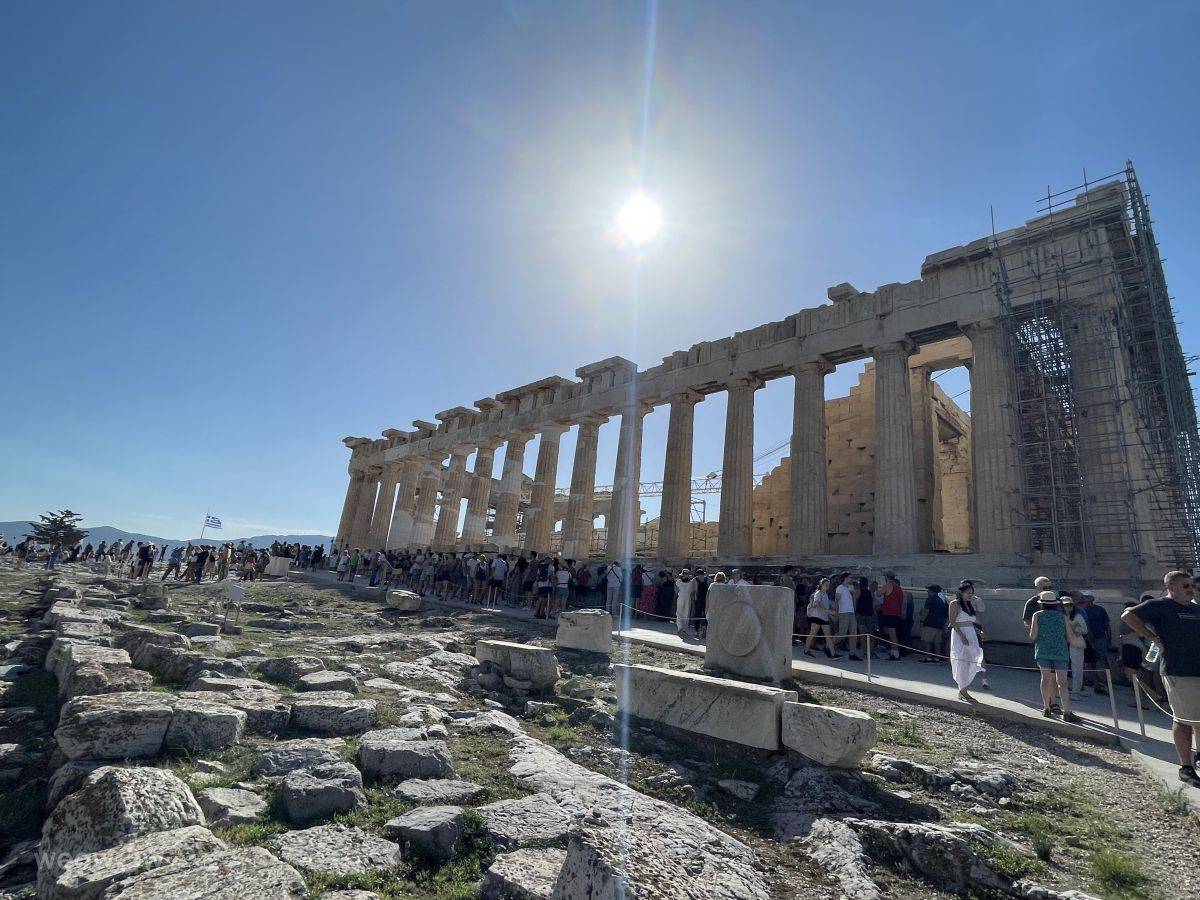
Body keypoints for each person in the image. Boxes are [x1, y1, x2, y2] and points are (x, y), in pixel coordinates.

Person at [1122, 571, 1200, 785]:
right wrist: (1153, 638)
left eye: (1191, 585)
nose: (1190, 589)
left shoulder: (1195, 609)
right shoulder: (1160, 605)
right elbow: (1128, 616)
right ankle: (1186, 767)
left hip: (1198, 670)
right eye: (1185, 586)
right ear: (1171, 587)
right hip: (1179, 671)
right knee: (1185, 719)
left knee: (1199, 719)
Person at [1030, 590, 1079, 722]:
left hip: (1043, 650)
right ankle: (1067, 711)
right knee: (1062, 682)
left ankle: (1046, 707)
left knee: (1045, 679)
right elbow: (1069, 637)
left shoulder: (1037, 615)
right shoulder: (1063, 617)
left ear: (1041, 604)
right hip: (1060, 651)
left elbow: (1033, 635)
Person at [949, 582, 984, 702]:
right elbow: (953, 622)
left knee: (972, 661)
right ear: (961, 593)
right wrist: (962, 636)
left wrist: (979, 632)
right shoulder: (955, 604)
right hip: (960, 635)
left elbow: (970, 622)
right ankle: (963, 690)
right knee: (962, 660)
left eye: (971, 593)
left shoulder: (969, 605)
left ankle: (963, 689)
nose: (970, 595)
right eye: (968, 593)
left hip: (971, 634)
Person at [1080, 591, 1113, 695]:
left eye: (1086, 596)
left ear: (1092, 598)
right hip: (1087, 639)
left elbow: (1106, 624)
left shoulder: (1100, 609)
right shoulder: (1081, 610)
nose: (1084, 598)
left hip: (1100, 638)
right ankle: (1095, 682)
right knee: (1090, 661)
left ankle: (1108, 681)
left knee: (1102, 659)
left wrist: (1109, 638)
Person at [803, 577, 841, 659]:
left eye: (828, 585)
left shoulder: (825, 594)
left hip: (823, 617)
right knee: (813, 633)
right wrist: (829, 612)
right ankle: (806, 650)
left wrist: (830, 614)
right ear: (821, 585)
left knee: (828, 635)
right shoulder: (818, 593)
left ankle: (833, 653)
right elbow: (817, 604)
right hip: (816, 616)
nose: (827, 587)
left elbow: (825, 607)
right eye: (826, 585)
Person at [1065, 597, 1090, 700]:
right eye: (1066, 605)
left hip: (1075, 642)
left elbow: (1085, 630)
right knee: (1064, 668)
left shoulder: (1077, 615)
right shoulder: (1061, 616)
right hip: (1063, 643)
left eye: (1070, 604)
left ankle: (1076, 691)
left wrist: (1076, 629)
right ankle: (1067, 689)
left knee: (1077, 667)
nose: (1069, 607)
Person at [833, 572, 860, 659]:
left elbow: (855, 597)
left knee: (853, 633)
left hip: (851, 612)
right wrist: (836, 613)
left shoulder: (850, 587)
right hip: (843, 612)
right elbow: (836, 601)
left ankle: (852, 653)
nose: (851, 579)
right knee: (842, 633)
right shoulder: (839, 588)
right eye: (850, 577)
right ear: (845, 578)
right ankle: (829, 645)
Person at [920, 585, 949, 662]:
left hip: (929, 623)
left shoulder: (930, 599)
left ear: (932, 591)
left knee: (927, 641)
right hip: (940, 624)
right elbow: (947, 613)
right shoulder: (943, 600)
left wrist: (922, 620)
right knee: (937, 642)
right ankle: (937, 658)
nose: (927, 592)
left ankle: (928, 657)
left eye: (928, 590)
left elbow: (926, 611)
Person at [879, 573, 905, 660]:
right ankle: (893, 652)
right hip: (896, 614)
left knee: (892, 635)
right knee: (893, 635)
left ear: (886, 577)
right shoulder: (899, 588)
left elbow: (879, 593)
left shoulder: (888, 585)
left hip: (890, 614)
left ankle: (896, 654)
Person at [674, 569, 696, 637]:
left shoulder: (678, 581)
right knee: (686, 614)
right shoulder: (690, 583)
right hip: (687, 598)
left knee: (679, 613)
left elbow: (676, 591)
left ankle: (680, 626)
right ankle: (684, 629)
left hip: (680, 597)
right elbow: (692, 591)